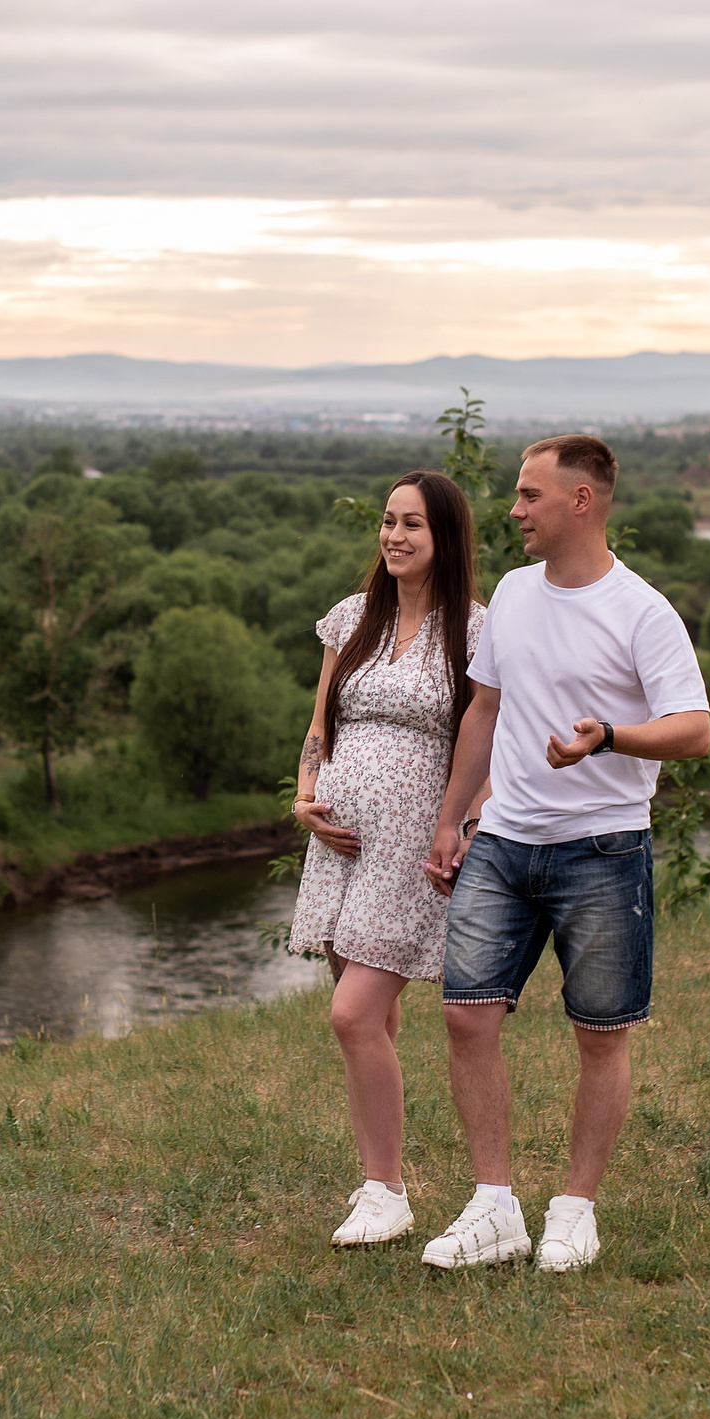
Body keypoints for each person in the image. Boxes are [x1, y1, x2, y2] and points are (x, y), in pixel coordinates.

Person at [417, 434, 710, 1272]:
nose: (513, 510)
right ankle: (494, 1205)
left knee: (600, 1034)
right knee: (465, 1012)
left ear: (581, 500)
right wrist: (451, 820)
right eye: (516, 495)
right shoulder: (511, 593)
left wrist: (610, 737)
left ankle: (576, 1208)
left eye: (529, 495)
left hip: (604, 847)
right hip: (505, 838)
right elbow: (483, 711)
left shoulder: (642, 610)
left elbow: (694, 727)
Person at [288, 469, 488, 1250]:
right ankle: (381, 1162)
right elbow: (320, 722)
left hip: (411, 847)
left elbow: (489, 736)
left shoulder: (472, 630)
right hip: (338, 842)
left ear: (445, 539)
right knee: (374, 1016)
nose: (395, 536)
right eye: (387, 520)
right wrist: (305, 796)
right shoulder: (354, 619)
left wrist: (465, 823)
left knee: (353, 1015)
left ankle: (386, 1192)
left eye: (413, 524)